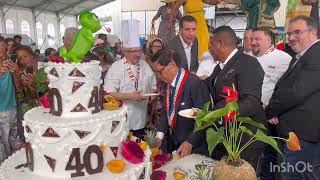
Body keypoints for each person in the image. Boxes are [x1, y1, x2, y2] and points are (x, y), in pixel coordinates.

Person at [265, 16, 320, 180]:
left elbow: (297, 92)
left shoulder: (316, 54)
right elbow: (284, 87)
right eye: (289, 33)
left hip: (302, 135)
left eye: (298, 32)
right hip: (292, 132)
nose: (291, 37)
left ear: (313, 32)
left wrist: (270, 110)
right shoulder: (302, 55)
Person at [207, 26, 266, 170]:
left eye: (211, 45)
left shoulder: (247, 63)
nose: (209, 49)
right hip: (228, 137)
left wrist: (219, 115)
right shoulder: (221, 66)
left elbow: (251, 102)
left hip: (245, 139)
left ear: (220, 43)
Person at [150, 48, 210, 157]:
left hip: (192, 148)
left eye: (160, 71)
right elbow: (166, 111)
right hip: (173, 144)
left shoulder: (194, 84)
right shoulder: (167, 82)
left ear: (172, 64)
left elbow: (205, 118)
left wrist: (190, 142)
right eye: (155, 73)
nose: (158, 76)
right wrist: (159, 135)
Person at [249, 28, 291, 179]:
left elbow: (288, 89)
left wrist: (276, 112)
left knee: (270, 153)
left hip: (271, 117)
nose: (253, 42)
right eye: (251, 39)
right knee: (250, 150)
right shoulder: (247, 57)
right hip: (250, 115)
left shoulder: (284, 59)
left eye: (257, 39)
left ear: (268, 40)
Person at [104, 20, 157, 139]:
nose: (138, 54)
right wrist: (130, 96)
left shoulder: (144, 65)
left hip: (142, 120)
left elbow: (153, 84)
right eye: (134, 51)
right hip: (122, 121)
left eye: (139, 50)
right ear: (125, 51)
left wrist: (153, 95)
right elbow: (108, 94)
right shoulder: (116, 67)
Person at [0, 37, 22, 162]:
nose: (1, 48)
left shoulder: (8, 62)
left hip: (12, 107)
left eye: (3, 45)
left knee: (13, 140)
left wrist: (15, 72)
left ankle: (13, 165)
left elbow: (18, 86)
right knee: (2, 145)